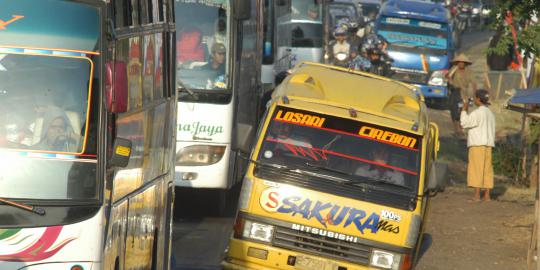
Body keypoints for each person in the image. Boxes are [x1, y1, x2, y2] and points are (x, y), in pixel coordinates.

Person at [460, 89, 496, 202]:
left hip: (477, 144)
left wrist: (464, 109)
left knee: (476, 169)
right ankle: (487, 195)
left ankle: (476, 196)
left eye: (475, 98)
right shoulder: (490, 114)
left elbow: (464, 123)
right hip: (488, 145)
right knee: (487, 169)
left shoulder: (477, 113)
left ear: (479, 100)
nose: (474, 100)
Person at [447, 53, 477, 136]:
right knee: (454, 111)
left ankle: (462, 129)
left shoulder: (469, 72)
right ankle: (456, 129)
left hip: (465, 94)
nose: (461, 64)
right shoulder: (454, 69)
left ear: (465, 63)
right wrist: (450, 80)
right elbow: (447, 77)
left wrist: (474, 94)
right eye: (459, 62)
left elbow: (474, 83)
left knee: (463, 111)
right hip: (455, 93)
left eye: (463, 62)